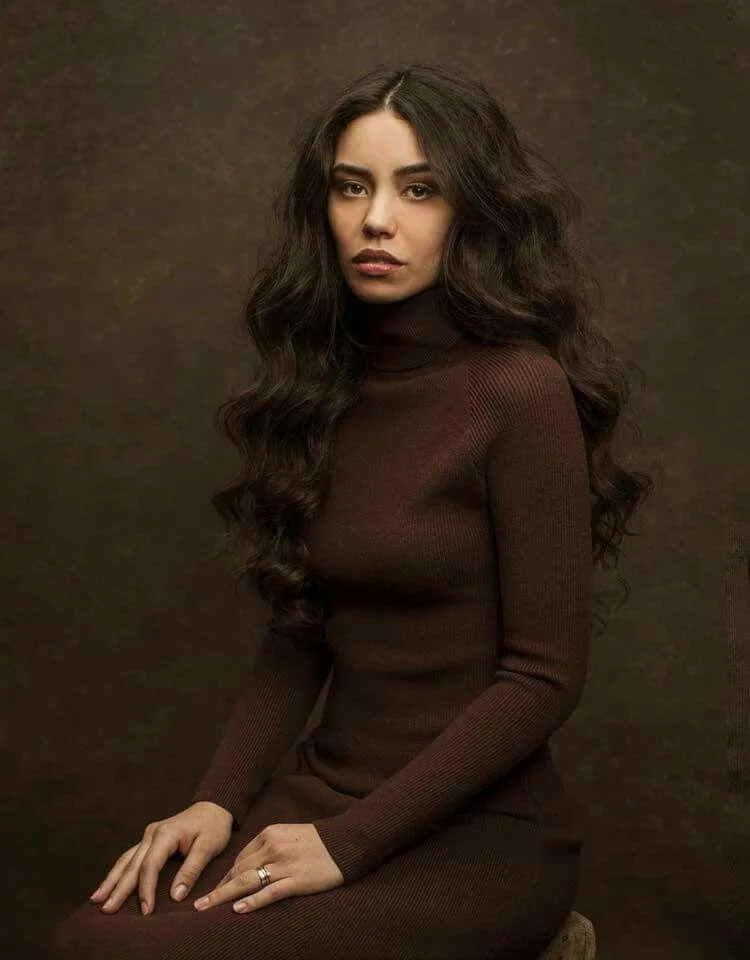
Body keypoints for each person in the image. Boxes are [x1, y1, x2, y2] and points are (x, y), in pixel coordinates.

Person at [52, 62, 652, 960]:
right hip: (326, 799)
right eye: (351, 186)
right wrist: (216, 800)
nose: (378, 219)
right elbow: (303, 629)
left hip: (476, 840)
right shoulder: (328, 390)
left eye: (420, 190)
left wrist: (348, 844)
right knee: (85, 940)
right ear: (322, 206)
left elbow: (543, 676)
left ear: (473, 211)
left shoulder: (517, 392)